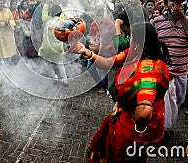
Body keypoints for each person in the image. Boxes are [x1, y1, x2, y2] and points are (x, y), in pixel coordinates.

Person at [70, 22, 171, 162]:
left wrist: (137, 131)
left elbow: (144, 113)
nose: (128, 39)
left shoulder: (149, 71)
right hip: (124, 112)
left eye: (130, 37)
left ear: (136, 42)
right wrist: (86, 52)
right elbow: (108, 63)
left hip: (133, 128)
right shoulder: (134, 53)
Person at [152, 0, 188, 136]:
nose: (176, 5)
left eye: (180, 3)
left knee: (178, 101)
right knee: (165, 103)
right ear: (166, 4)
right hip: (164, 72)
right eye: (173, 2)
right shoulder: (157, 21)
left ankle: (166, 126)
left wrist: (183, 19)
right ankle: (164, 130)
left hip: (181, 71)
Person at [38, 4, 68, 86]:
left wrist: (46, 5)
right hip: (58, 47)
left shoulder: (47, 22)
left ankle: (54, 77)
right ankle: (64, 80)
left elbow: (44, 15)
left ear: (50, 13)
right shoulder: (62, 22)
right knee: (59, 63)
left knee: (47, 63)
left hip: (46, 47)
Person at [0, 0, 17, 64]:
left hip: (8, 34)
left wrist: (9, 23)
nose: (2, 5)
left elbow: (13, 21)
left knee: (9, 50)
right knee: (0, 50)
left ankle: (9, 64)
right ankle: (2, 65)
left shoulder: (8, 11)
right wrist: (3, 24)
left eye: (3, 3)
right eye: (0, 3)